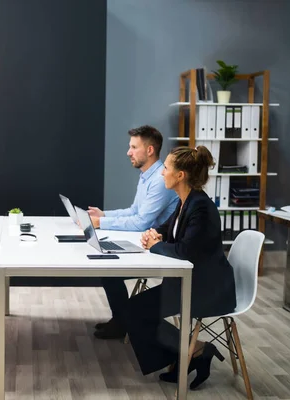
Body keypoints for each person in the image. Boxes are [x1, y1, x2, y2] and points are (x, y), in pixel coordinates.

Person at [124, 145, 236, 389]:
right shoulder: (185, 201)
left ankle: (194, 351)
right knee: (133, 310)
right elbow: (169, 228)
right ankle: (190, 354)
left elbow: (185, 251)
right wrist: (154, 234)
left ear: (180, 175)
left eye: (166, 168)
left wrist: (155, 246)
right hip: (190, 282)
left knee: (135, 312)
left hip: (208, 290)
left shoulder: (201, 208)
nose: (162, 173)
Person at [90, 125, 179, 339]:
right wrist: (103, 216)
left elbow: (140, 222)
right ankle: (120, 321)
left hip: (158, 248)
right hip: (146, 240)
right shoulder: (146, 176)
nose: (128, 152)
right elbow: (134, 211)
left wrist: (101, 224)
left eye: (133, 147)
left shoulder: (159, 179)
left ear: (149, 150)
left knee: (109, 271)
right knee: (107, 269)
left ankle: (121, 323)